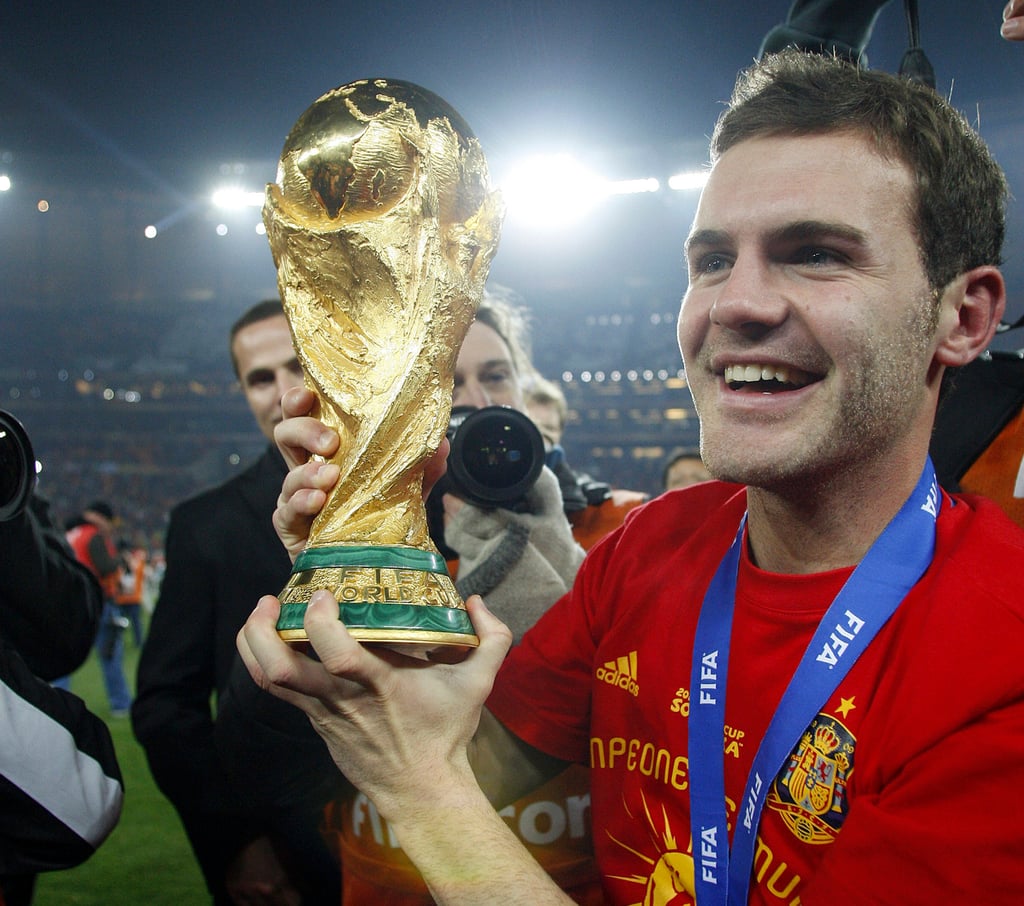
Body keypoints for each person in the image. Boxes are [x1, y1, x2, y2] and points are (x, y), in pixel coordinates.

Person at [239, 50, 1024, 904]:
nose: (737, 304)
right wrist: (368, 558)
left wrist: (420, 791)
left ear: (965, 316)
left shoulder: (1002, 656)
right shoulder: (654, 548)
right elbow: (485, 770)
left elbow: (439, 788)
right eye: (713, 260)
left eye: (816, 254)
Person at [215, 291, 608, 904]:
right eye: (446, 381)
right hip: (389, 880)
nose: (475, 401)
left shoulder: (613, 529)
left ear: (526, 388)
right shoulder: (353, 536)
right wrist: (326, 555)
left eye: (496, 375)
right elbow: (260, 759)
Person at [131, 299, 338, 905]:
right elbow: (168, 705)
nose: (283, 391)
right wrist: (238, 840)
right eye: (260, 377)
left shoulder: (422, 497)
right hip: (291, 856)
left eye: (299, 364)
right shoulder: (205, 526)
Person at [1, 487, 124, 905]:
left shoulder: (74, 531)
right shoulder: (92, 536)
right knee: (105, 667)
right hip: (98, 607)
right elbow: (84, 799)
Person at [523, 372, 648, 550]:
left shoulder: (601, 507)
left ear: (560, 433)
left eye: (549, 428)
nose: (540, 436)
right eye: (532, 425)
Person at [65, 500, 132, 717]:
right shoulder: (93, 536)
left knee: (65, 656)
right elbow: (104, 567)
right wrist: (120, 559)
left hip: (72, 602)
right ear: (100, 517)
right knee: (110, 655)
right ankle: (121, 703)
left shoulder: (72, 532)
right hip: (99, 601)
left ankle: (59, 701)